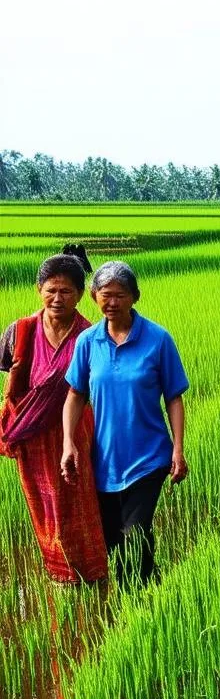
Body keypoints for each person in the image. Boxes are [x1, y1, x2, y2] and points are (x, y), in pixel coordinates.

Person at [61, 261, 189, 586]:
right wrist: (68, 443)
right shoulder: (88, 342)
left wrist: (178, 449)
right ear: (94, 297)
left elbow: (174, 397)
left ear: (134, 297)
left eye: (120, 295)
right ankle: (144, 592)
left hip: (149, 458)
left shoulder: (158, 340)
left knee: (136, 533)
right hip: (104, 462)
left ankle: (141, 599)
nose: (112, 303)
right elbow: (76, 394)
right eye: (106, 295)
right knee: (115, 543)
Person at [0, 247, 108, 583]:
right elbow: (10, 373)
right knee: (43, 506)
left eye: (66, 291)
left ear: (80, 295)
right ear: (39, 290)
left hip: (74, 433)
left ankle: (90, 571)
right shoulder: (19, 332)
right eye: (51, 289)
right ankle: (60, 572)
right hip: (33, 438)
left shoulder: (91, 336)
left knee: (77, 501)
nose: (57, 297)